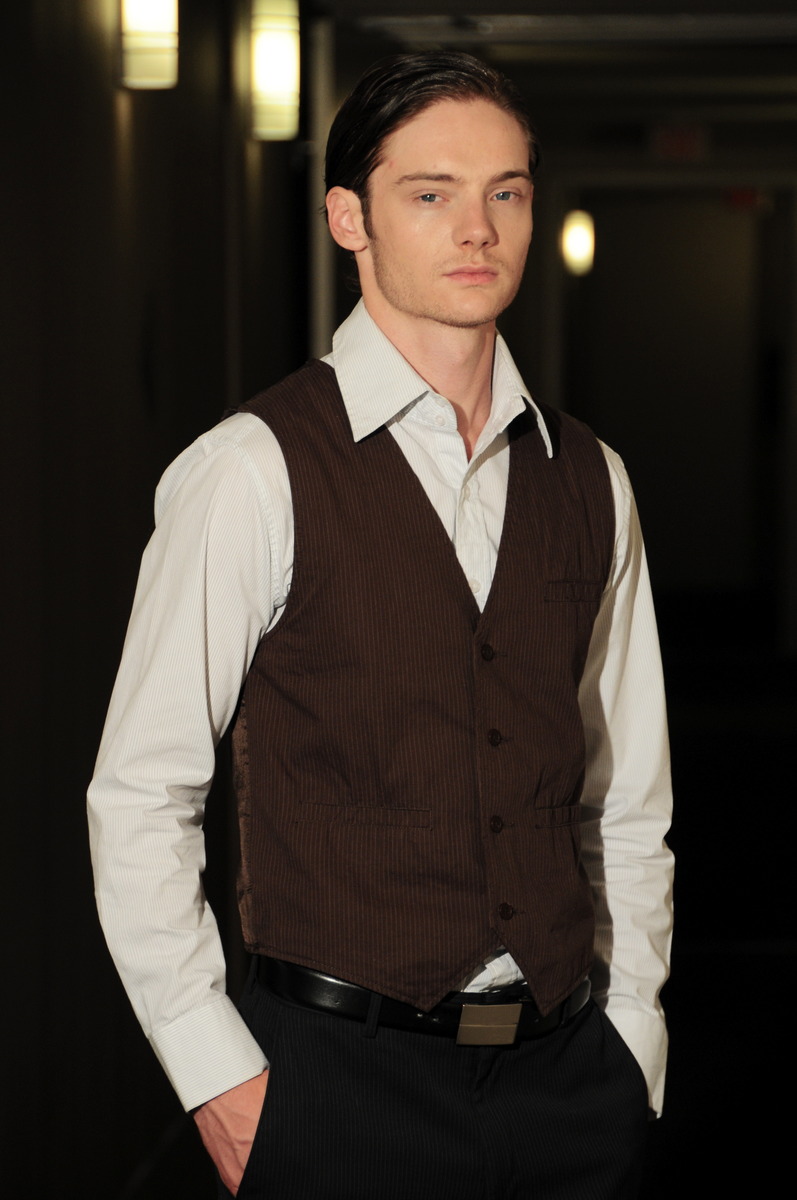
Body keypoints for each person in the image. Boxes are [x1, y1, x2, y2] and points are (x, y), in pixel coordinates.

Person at [88, 51, 673, 1200]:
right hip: (333, 1085)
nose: (476, 227)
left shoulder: (591, 478)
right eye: (429, 192)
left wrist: (633, 1038)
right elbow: (141, 794)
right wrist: (218, 1079)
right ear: (348, 218)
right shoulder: (251, 470)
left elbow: (626, 797)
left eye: (504, 191)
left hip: (567, 1083)